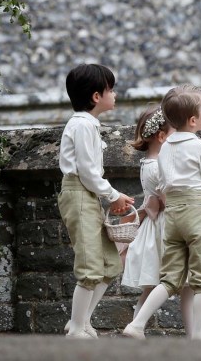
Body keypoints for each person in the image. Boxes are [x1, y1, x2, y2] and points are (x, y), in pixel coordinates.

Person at [122, 85, 201, 340]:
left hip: (173, 216)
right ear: (193, 120)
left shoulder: (164, 150)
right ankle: (196, 340)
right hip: (196, 213)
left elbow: (165, 183)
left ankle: (137, 324)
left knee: (170, 278)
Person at [58, 64, 135, 338]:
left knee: (109, 263)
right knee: (90, 264)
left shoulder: (88, 124)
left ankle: (82, 320)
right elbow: (88, 172)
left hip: (87, 195)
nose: (114, 94)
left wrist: (108, 196)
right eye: (110, 89)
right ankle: (76, 327)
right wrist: (113, 195)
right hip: (79, 193)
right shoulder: (81, 125)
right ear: (95, 96)